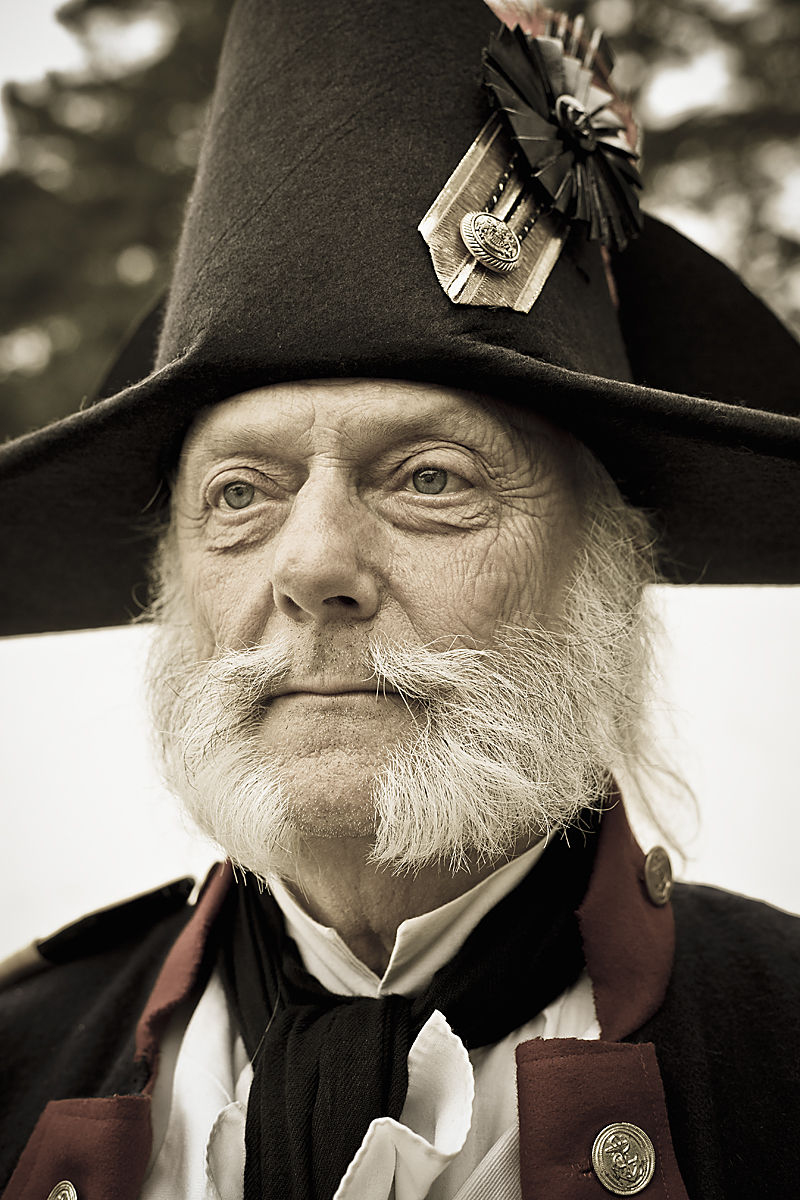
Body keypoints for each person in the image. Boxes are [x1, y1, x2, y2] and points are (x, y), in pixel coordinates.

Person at [1, 1, 799, 1198]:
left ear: (605, 578)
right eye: (238, 495)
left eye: (430, 478)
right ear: (171, 581)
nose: (313, 566)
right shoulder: (15, 1051)